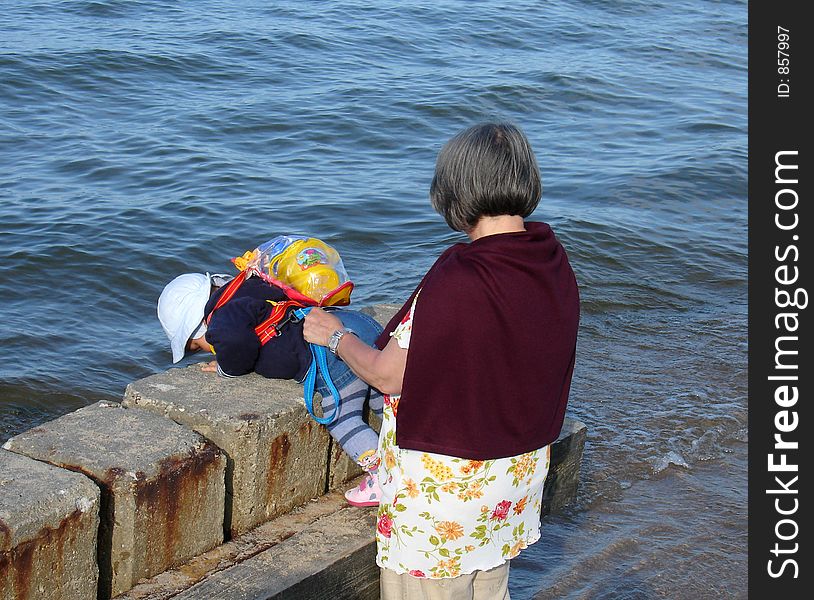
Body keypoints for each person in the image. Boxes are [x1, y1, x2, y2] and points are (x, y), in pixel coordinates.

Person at [303, 122, 580, 599]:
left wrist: (335, 335)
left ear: (456, 190)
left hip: (448, 491)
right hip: (514, 476)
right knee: (490, 589)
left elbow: (389, 376)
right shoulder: (550, 260)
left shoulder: (461, 276)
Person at [157, 245, 386, 507]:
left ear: (200, 326)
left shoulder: (221, 319)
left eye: (197, 346)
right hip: (356, 327)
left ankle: (385, 478)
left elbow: (234, 342)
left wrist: (226, 367)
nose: (206, 349)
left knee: (344, 419)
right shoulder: (251, 284)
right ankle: (409, 450)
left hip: (331, 359)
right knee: (384, 401)